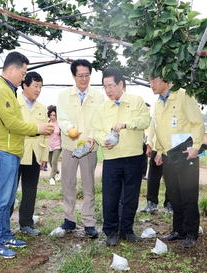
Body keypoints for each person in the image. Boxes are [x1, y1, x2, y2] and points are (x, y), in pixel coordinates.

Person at [0, 51, 54, 258]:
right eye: (22, 73)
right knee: (0, 199)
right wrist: (38, 128)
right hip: (1, 151)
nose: (23, 77)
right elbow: (11, 123)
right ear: (12, 69)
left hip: (12, 151)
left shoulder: (8, 91)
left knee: (7, 198)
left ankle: (4, 235)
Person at [93, 67, 151, 246]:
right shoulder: (102, 108)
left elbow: (145, 121)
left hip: (134, 157)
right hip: (112, 159)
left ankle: (127, 230)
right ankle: (111, 231)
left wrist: (127, 124)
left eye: (111, 86)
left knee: (131, 196)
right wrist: (104, 140)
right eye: (105, 87)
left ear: (121, 84)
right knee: (110, 196)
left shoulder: (136, 101)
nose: (108, 90)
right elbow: (95, 130)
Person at [149, 75, 205, 249]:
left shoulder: (183, 95)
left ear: (165, 80)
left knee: (188, 195)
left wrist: (196, 147)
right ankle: (178, 230)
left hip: (185, 153)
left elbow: (197, 123)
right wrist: (158, 151)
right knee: (174, 195)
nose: (151, 85)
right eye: (149, 82)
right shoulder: (158, 103)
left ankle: (190, 233)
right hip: (168, 155)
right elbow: (159, 130)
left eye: (153, 81)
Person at [56, 59, 106, 238]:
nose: (84, 79)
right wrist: (69, 129)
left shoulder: (99, 96)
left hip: (89, 147)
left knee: (89, 185)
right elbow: (61, 118)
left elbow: (100, 119)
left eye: (87, 75)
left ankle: (89, 222)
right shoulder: (64, 95)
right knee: (68, 183)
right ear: (73, 76)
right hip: (70, 146)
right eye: (80, 76)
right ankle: (69, 220)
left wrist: (92, 135)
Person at [16, 71, 50, 236]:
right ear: (25, 85)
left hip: (35, 154)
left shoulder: (41, 107)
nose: (38, 90)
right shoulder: (14, 103)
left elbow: (46, 132)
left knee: (30, 191)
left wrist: (44, 156)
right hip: (16, 153)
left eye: (40, 87)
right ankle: (2, 225)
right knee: (8, 191)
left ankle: (26, 223)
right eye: (35, 86)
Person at [142, 110, 173, 214]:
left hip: (171, 147)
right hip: (156, 147)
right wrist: (149, 144)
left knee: (170, 178)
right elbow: (152, 127)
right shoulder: (158, 105)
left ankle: (170, 203)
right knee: (153, 178)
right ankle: (152, 203)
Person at [47, 105, 61, 186]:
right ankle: (58, 172)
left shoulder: (59, 124)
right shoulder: (47, 123)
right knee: (51, 163)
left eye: (54, 115)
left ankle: (52, 178)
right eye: (51, 115)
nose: (52, 117)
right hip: (49, 145)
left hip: (57, 145)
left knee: (54, 161)